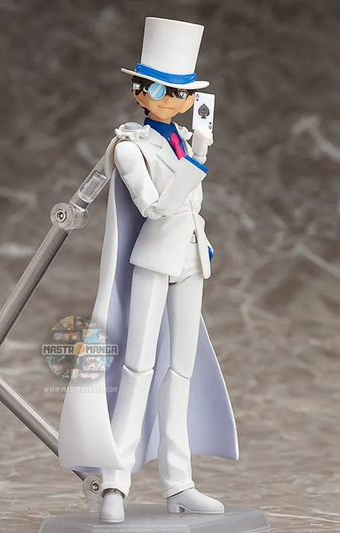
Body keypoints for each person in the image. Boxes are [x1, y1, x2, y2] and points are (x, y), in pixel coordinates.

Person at [58, 17, 239, 523]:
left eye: (181, 93)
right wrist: (197, 161)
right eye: (160, 89)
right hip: (154, 259)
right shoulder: (129, 147)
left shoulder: (182, 138)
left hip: (190, 260)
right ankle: (115, 482)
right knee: (137, 369)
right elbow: (156, 208)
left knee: (180, 371)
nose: (171, 100)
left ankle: (178, 483)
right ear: (140, 91)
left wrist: (202, 239)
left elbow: (190, 208)